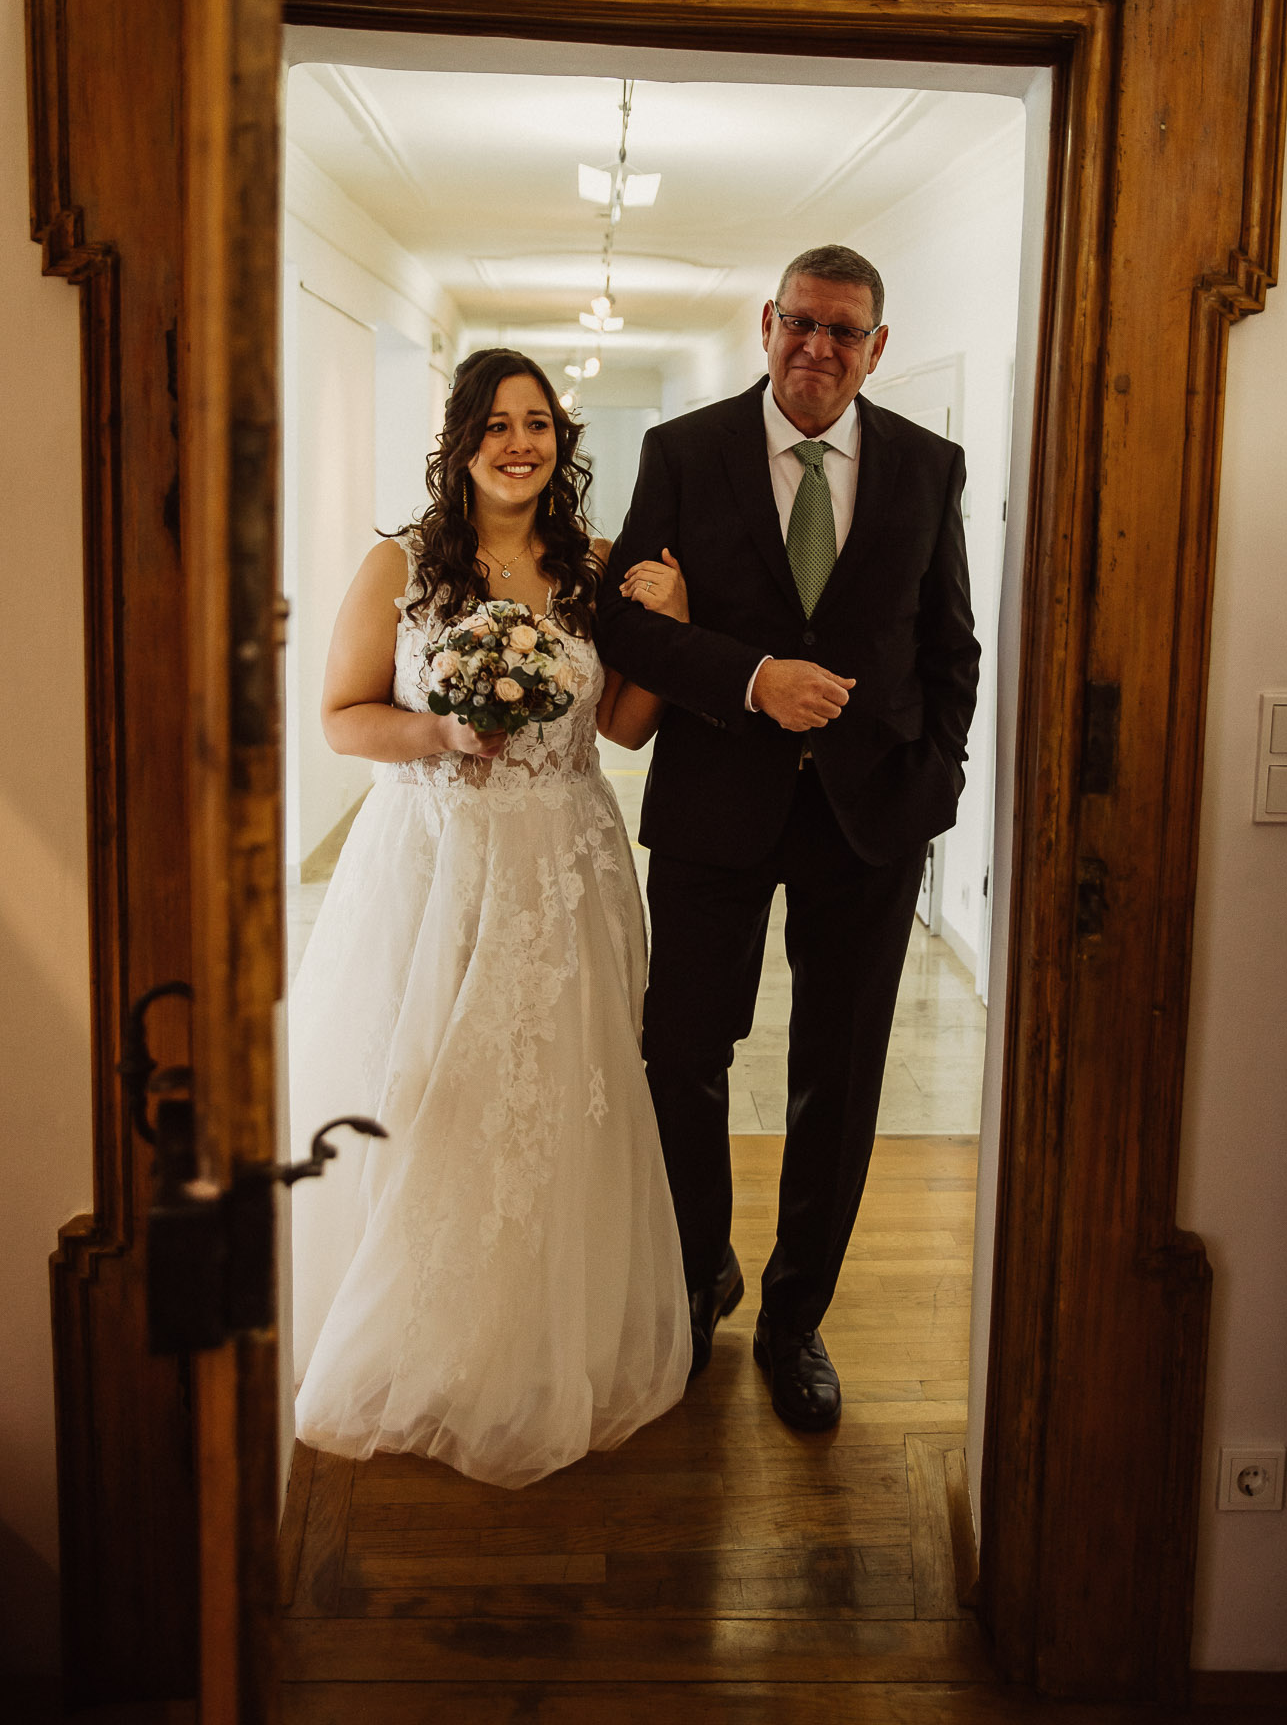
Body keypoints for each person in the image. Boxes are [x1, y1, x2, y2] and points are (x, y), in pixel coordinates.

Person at [288, 347, 692, 1489]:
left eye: (538, 424)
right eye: (497, 424)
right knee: (427, 1085)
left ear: (561, 441)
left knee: (559, 1090)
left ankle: (539, 1341)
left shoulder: (594, 568)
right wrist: (441, 732)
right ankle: (415, 1333)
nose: (520, 444)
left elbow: (622, 725)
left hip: (563, 860)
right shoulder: (402, 564)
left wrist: (677, 620)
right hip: (433, 860)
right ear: (460, 440)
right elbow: (341, 715)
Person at [600, 244, 980, 1433]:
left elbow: (949, 644)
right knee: (683, 1050)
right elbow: (624, 624)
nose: (818, 346)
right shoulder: (684, 450)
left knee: (841, 1071)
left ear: (878, 346)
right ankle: (698, 1272)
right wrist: (752, 676)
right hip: (715, 801)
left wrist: (937, 782)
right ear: (768, 323)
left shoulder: (927, 464)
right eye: (801, 322)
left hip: (871, 821)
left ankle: (794, 1316)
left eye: (844, 330)